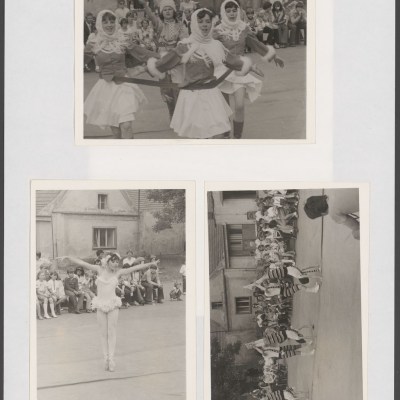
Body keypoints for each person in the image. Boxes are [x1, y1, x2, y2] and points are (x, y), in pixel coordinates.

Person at [145, 8, 262, 138]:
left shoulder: (216, 45)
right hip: (192, 96)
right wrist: (145, 68)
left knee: (215, 133)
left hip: (211, 94)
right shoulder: (185, 46)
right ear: (194, 24)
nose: (205, 25)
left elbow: (232, 60)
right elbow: (164, 63)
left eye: (207, 21)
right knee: (199, 135)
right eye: (200, 21)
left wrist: (250, 66)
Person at [60, 253, 159, 371]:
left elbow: (135, 267)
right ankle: (105, 358)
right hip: (100, 304)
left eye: (117, 262)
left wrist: (151, 263)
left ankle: (111, 359)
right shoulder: (99, 269)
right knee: (103, 334)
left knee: (112, 332)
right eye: (114, 261)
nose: (116, 264)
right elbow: (83, 263)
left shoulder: (118, 272)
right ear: (107, 261)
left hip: (113, 305)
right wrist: (69, 257)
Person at [213, 0, 284, 139]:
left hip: (240, 70)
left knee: (239, 105)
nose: (232, 13)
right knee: (223, 107)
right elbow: (207, 46)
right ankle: (226, 132)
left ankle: (237, 136)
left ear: (239, 11)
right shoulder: (217, 30)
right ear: (223, 12)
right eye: (228, 11)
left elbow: (256, 44)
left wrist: (274, 56)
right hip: (222, 71)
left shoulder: (244, 28)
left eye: (235, 10)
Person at [84, 10, 159, 139]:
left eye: (112, 21)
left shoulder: (123, 40)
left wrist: (165, 58)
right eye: (105, 22)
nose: (109, 25)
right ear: (100, 24)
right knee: (116, 131)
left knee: (126, 125)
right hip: (105, 89)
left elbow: (142, 53)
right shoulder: (93, 43)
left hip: (124, 86)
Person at [139, 0, 188, 119]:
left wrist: (178, 48)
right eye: (165, 10)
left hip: (176, 60)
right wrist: (145, 5)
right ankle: (172, 116)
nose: (167, 11)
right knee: (167, 92)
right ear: (161, 12)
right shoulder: (159, 24)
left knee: (179, 90)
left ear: (174, 11)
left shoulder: (180, 25)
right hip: (162, 61)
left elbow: (184, 41)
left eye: (170, 9)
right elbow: (151, 16)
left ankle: (180, 118)